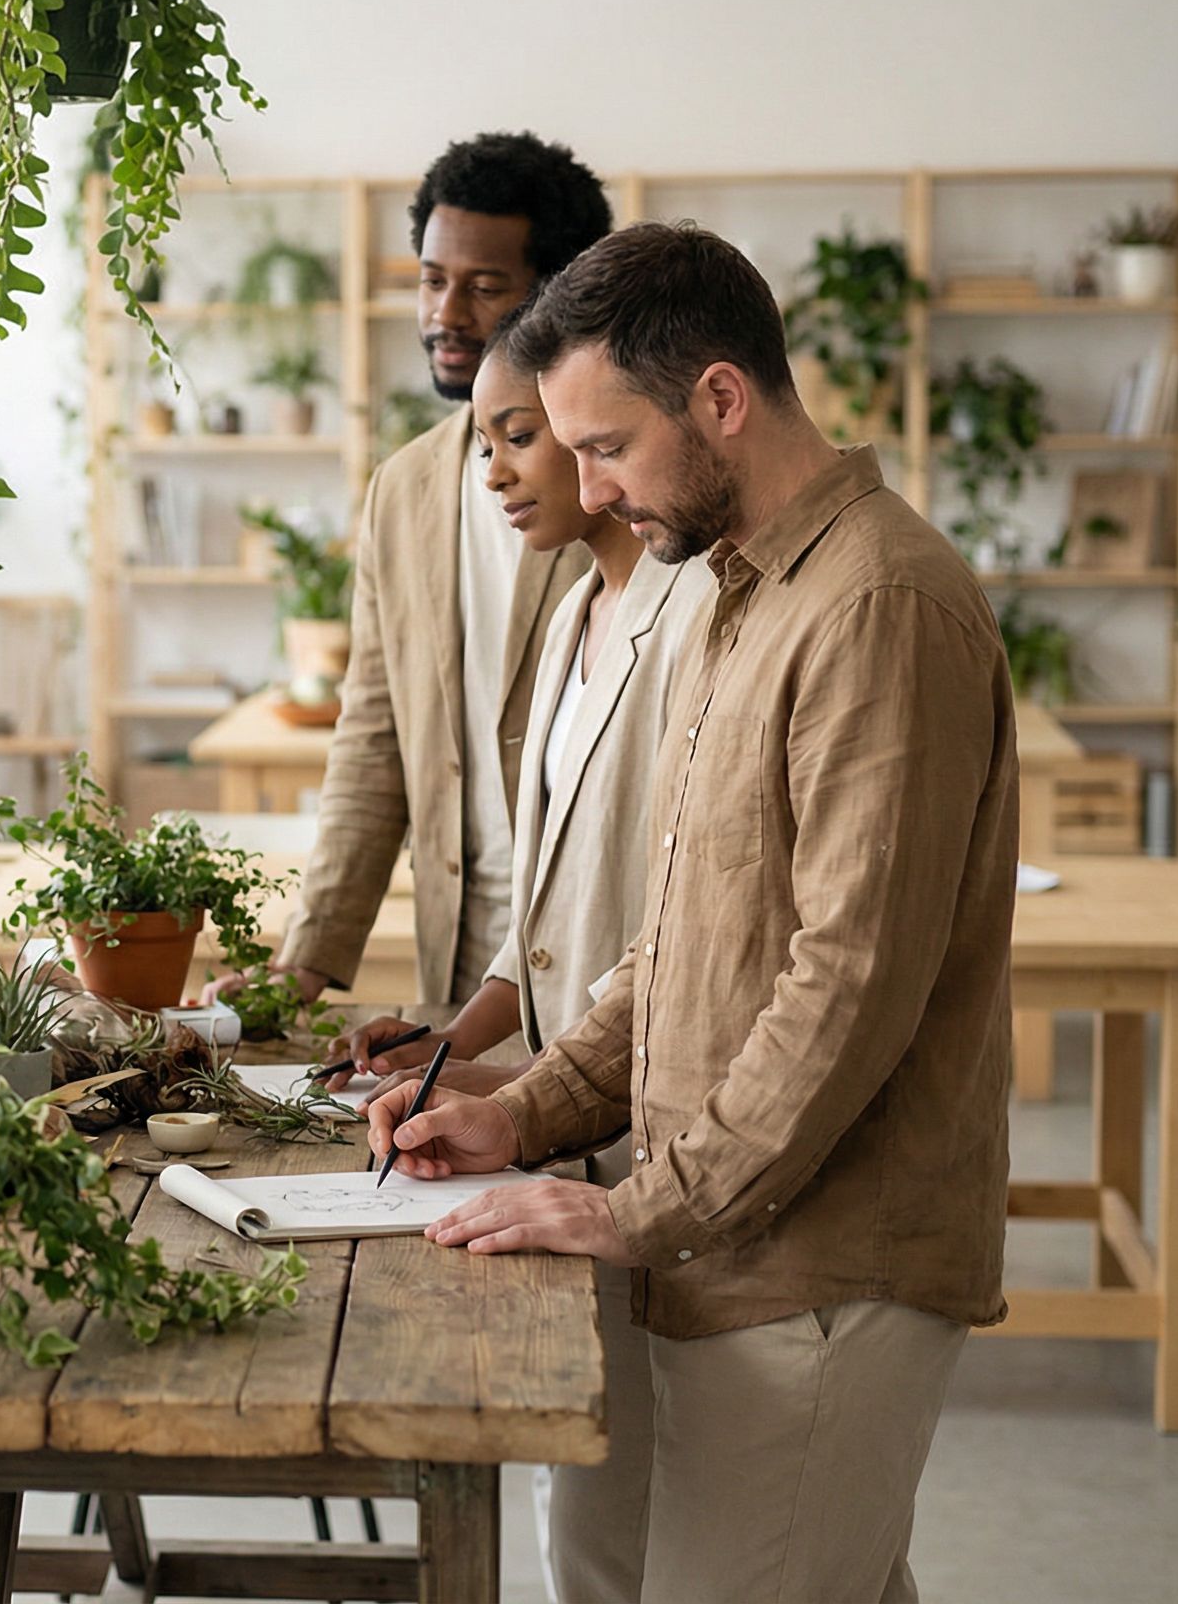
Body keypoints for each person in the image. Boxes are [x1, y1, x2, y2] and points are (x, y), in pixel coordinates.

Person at [368, 221, 1016, 1604]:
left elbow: (848, 985)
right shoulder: (738, 593)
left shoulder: (879, 606)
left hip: (818, 1270)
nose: (585, 483)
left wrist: (644, 1208)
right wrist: (528, 1111)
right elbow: (683, 939)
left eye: (604, 446)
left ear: (719, 399)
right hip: (713, 1236)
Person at [337, 322, 715, 1604]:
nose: (493, 467)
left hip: (668, 1109)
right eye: (483, 437)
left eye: (520, 435)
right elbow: (546, 910)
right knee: (597, 1512)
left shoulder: (701, 614)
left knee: (714, 1524)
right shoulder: (573, 627)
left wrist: (523, 1081)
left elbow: (684, 920)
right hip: (569, 1106)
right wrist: (462, 1035)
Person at [210, 133, 608, 1022]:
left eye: (484, 285)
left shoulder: (628, 480)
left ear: (562, 291)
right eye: (432, 279)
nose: (446, 313)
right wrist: (305, 960)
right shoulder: (405, 487)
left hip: (608, 956)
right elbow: (373, 732)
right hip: (464, 959)